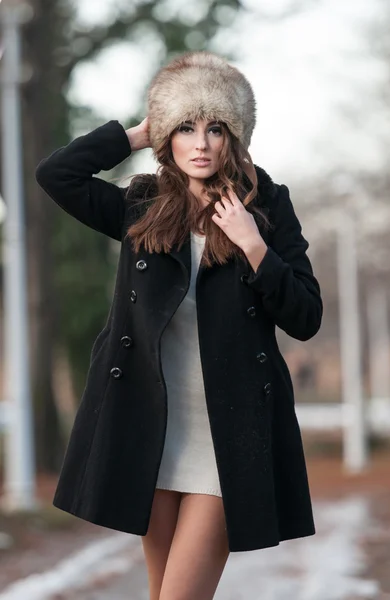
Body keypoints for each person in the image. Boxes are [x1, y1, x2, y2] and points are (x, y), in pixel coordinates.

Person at [35, 50, 323, 600]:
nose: (201, 143)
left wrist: (255, 246)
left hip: (228, 437)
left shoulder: (268, 207)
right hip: (152, 432)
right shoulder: (143, 205)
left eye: (216, 128)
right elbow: (57, 174)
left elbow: (306, 317)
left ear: (234, 137)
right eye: (186, 127)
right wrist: (138, 132)